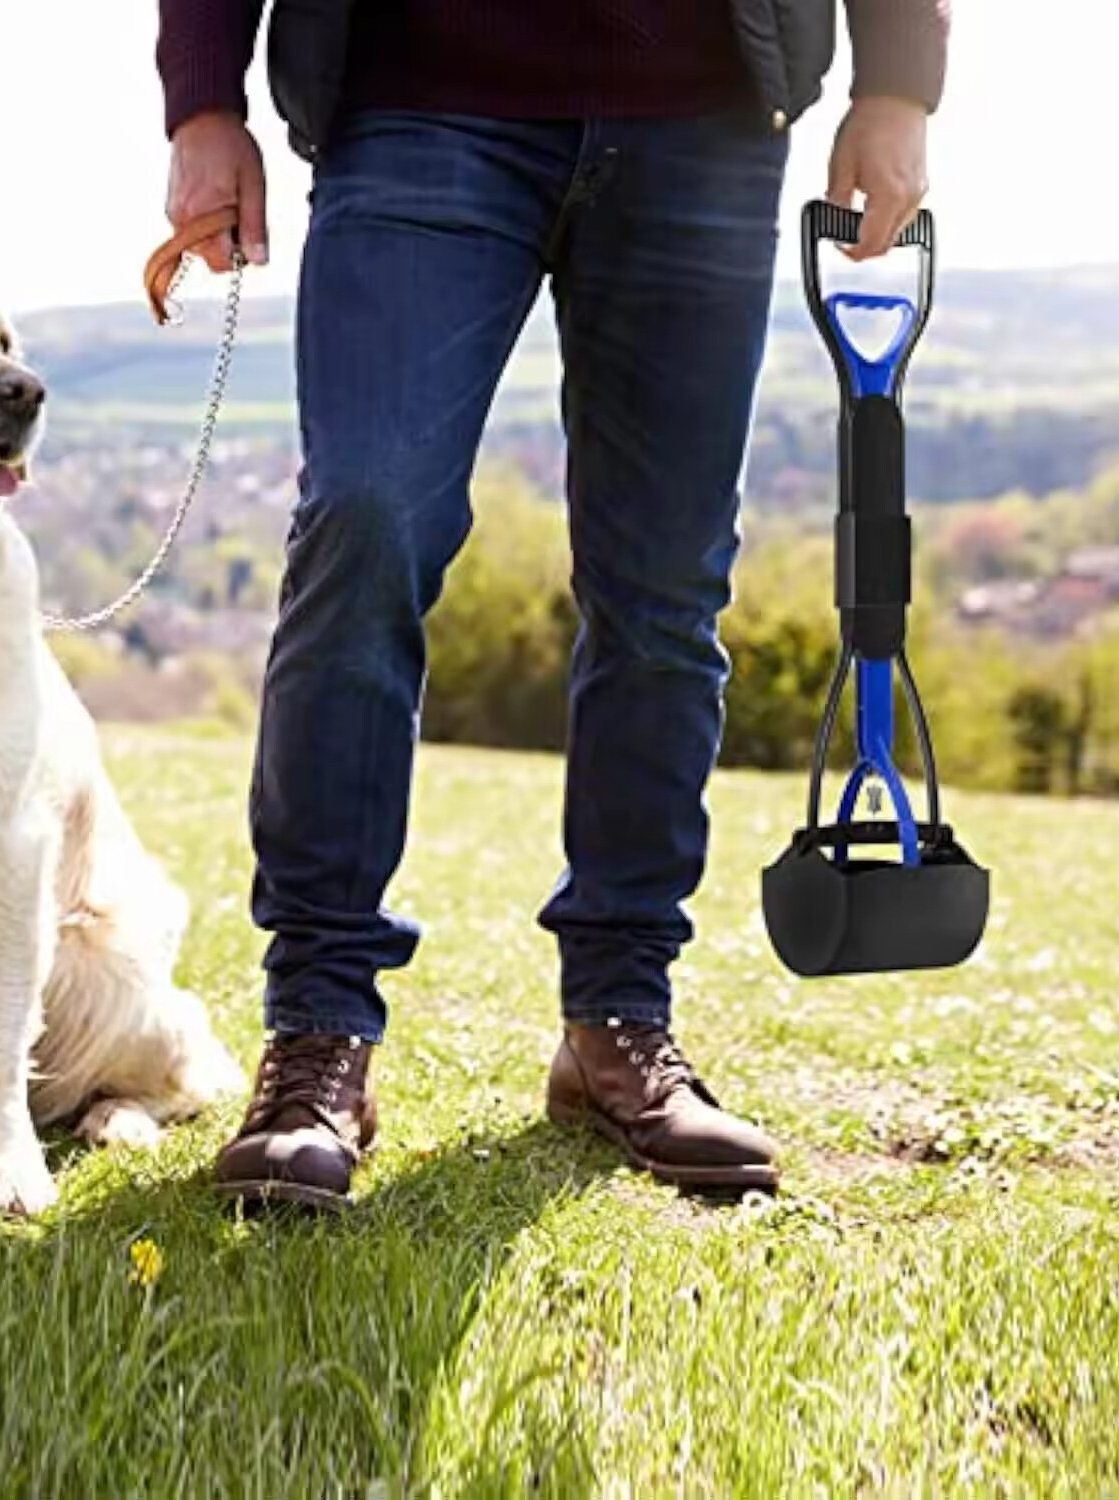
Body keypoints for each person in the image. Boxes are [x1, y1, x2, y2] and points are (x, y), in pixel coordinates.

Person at [155, 0, 949, 1210]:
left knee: (663, 588)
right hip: (417, 99)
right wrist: (205, 100)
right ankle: (318, 1033)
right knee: (367, 522)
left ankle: (618, 1018)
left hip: (706, 114)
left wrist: (900, 81)